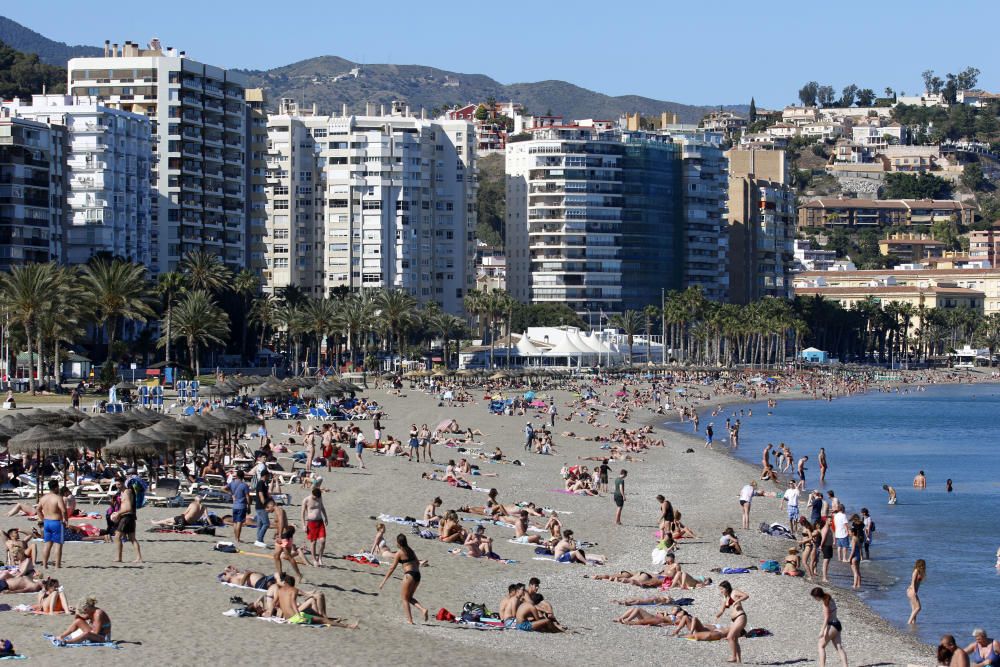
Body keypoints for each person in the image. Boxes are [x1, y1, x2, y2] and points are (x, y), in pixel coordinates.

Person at [273, 572, 357, 627]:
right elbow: (293, 603)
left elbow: (274, 604)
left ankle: (333, 620)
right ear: (292, 584)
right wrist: (298, 616)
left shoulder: (279, 590)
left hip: (288, 618)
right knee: (323, 620)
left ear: (285, 582)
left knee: (321, 619)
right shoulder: (293, 590)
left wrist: (280, 610)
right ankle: (347, 626)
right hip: (295, 617)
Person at [378, 534, 428, 624]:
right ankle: (423, 609)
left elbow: (392, 568)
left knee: (404, 598)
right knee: (409, 597)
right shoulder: (410, 550)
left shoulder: (399, 553)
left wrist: (383, 581)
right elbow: (417, 562)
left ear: (398, 543)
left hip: (409, 575)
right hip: (417, 574)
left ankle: (410, 620)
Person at [811, 588, 848, 667]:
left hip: (832, 625)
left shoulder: (825, 603)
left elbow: (827, 617)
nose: (814, 599)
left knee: (821, 645)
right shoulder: (830, 598)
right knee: (839, 647)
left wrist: (822, 630)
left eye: (814, 597)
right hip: (838, 624)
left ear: (817, 596)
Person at [715, 581, 749, 664]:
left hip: (740, 617)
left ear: (727, 588)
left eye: (722, 589)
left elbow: (746, 596)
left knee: (730, 637)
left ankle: (733, 657)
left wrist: (738, 601)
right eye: (720, 589)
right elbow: (722, 610)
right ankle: (739, 660)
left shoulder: (734, 592)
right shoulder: (725, 597)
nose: (721, 591)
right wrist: (717, 615)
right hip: (734, 620)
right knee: (735, 639)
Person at [111, 474, 142, 564]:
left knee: (117, 537)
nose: (117, 486)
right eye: (116, 484)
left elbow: (128, 507)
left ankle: (119, 558)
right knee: (132, 538)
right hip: (129, 517)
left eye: (119, 484)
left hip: (127, 517)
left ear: (123, 483)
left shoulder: (127, 492)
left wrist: (118, 513)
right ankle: (139, 557)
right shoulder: (121, 493)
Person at [37, 479, 67, 569]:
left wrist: (43, 519)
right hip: (56, 522)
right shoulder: (58, 498)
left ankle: (45, 565)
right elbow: (64, 510)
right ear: (56, 487)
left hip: (47, 522)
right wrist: (66, 519)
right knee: (58, 545)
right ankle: (57, 565)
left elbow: (38, 509)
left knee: (47, 544)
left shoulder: (43, 498)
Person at [270, 501, 302, 580]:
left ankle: (299, 574)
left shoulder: (280, 510)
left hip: (284, 536)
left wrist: (280, 535)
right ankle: (280, 574)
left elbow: (282, 523)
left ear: (271, 505)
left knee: (288, 557)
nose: (266, 510)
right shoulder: (276, 512)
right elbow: (278, 524)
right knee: (276, 555)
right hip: (280, 535)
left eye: (267, 508)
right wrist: (276, 533)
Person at [301, 487, 328, 567]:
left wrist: (326, 517)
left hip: (320, 521)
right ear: (312, 493)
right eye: (315, 497)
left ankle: (320, 558)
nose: (316, 498)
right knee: (313, 542)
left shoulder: (319, 498)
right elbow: (302, 513)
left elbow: (322, 507)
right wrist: (303, 525)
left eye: (317, 497)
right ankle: (314, 559)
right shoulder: (306, 500)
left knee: (323, 541)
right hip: (311, 523)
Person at [225, 470, 251, 543]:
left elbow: (222, 488)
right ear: (243, 476)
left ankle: (236, 537)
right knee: (239, 522)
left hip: (235, 506)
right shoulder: (244, 485)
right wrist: (249, 506)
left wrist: (231, 494)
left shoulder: (232, 483)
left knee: (235, 522)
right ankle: (237, 538)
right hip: (242, 505)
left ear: (236, 476)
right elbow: (247, 497)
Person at [254, 469, 272, 549]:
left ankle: (259, 541)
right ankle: (259, 540)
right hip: (261, 507)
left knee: (260, 525)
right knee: (266, 524)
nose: (269, 477)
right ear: (265, 475)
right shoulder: (260, 483)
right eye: (268, 475)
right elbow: (261, 495)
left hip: (259, 506)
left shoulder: (264, 483)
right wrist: (266, 506)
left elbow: (267, 494)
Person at [907, 559, 925, 625]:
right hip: (911, 590)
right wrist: (914, 591)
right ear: (919, 565)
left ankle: (913, 624)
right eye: (922, 565)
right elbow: (913, 582)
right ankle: (909, 622)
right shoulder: (916, 571)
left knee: (914, 609)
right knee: (918, 608)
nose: (923, 566)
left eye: (924, 565)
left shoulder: (920, 572)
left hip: (912, 591)